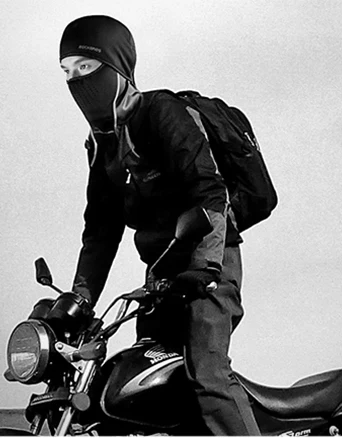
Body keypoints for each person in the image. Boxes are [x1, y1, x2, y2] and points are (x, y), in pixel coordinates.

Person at [58, 15, 261, 436]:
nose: (76, 80)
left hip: (208, 262)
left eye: (86, 67)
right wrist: (78, 301)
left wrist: (207, 267)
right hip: (161, 276)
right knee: (148, 382)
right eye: (68, 71)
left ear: (118, 67)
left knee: (206, 374)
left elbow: (209, 190)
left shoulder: (162, 112)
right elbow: (100, 232)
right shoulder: (103, 145)